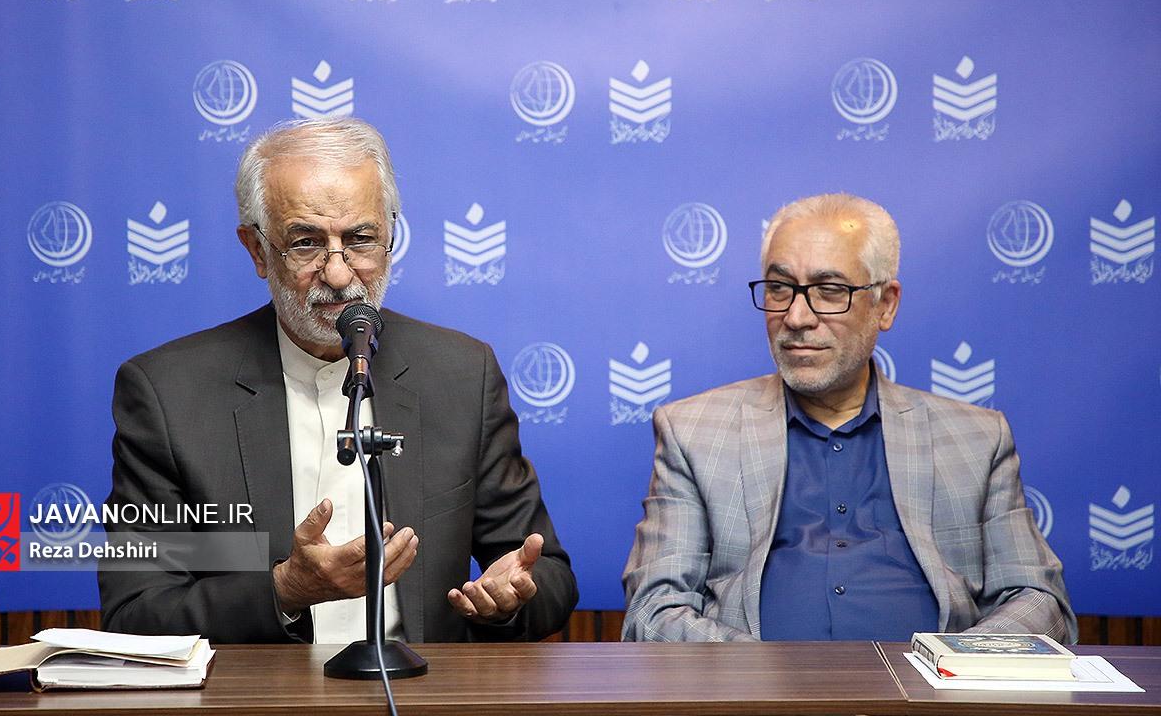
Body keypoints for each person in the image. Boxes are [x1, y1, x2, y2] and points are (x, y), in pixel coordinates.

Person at [99, 117, 577, 643]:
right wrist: (284, 590)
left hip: (420, 687)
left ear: (390, 236)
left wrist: (506, 601)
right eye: (306, 243)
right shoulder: (169, 394)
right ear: (257, 250)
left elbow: (549, 578)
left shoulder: (462, 375)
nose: (339, 274)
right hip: (258, 690)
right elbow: (137, 612)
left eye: (361, 239)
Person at [622, 193, 1075, 643]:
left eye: (830, 291)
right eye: (780, 288)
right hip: (754, 686)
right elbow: (653, 610)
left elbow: (1040, 602)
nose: (797, 317)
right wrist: (763, 672)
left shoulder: (977, 439)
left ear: (885, 304)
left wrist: (955, 663)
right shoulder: (693, 433)